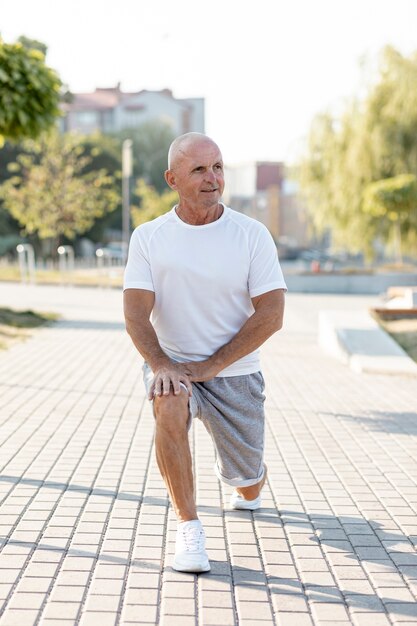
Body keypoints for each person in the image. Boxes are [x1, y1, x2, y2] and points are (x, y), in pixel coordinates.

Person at [123, 132, 287, 573]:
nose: (212, 178)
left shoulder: (251, 235)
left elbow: (271, 313)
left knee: (247, 483)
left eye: (217, 167)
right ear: (172, 178)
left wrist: (211, 366)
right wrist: (161, 364)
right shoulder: (149, 237)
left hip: (236, 373)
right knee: (168, 404)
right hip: (174, 364)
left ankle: (246, 480)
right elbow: (137, 314)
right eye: (199, 169)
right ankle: (189, 529)